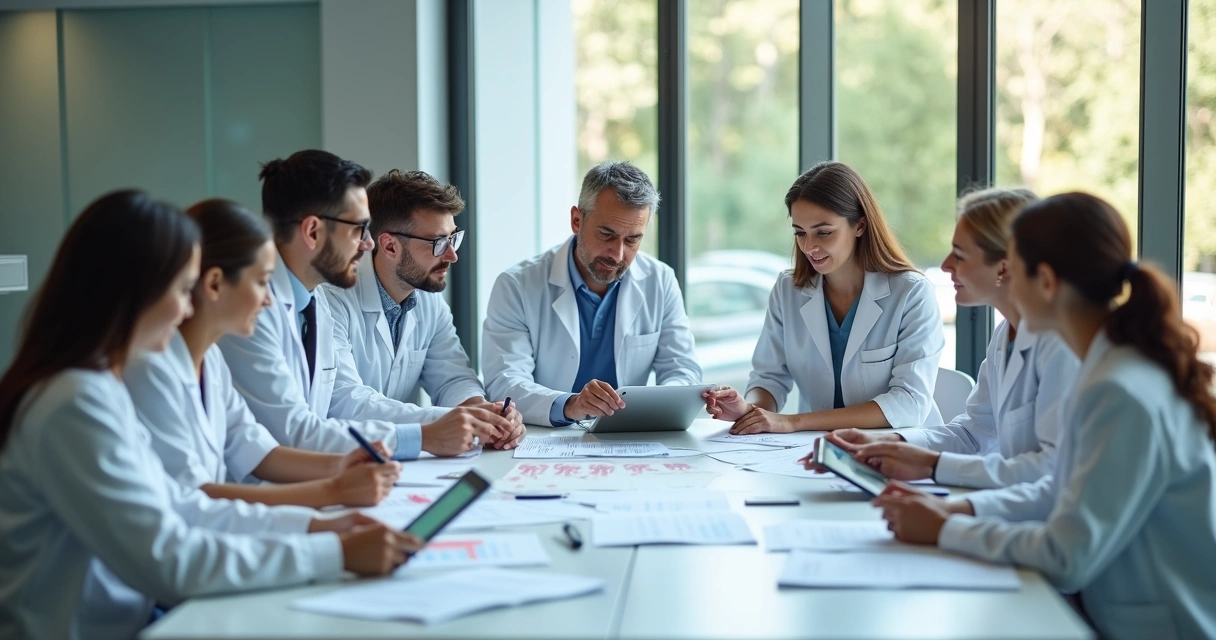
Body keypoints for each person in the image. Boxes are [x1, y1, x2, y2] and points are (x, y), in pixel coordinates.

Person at [0, 191, 419, 640]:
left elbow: (183, 507)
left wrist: (320, 527)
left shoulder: (98, 386)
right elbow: (169, 559)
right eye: (182, 290)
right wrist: (333, 552)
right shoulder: (75, 403)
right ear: (131, 291)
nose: (186, 308)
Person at [874, 193, 1216, 639]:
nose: (1007, 285)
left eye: (1013, 271)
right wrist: (958, 508)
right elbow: (1057, 491)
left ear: (1047, 282)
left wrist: (948, 529)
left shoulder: (1117, 389)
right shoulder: (1109, 365)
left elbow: (1067, 555)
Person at [217, 150, 512, 458]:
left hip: (316, 476)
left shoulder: (312, 300)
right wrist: (427, 434)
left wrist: (480, 415)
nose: (368, 243)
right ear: (313, 231)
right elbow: (303, 427)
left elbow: (337, 402)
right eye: (358, 228)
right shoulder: (256, 311)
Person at [124, 199, 401, 508]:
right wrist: (334, 491)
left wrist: (342, 465)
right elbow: (192, 497)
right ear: (214, 283)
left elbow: (255, 447)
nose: (269, 300)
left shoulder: (211, 361)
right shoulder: (149, 371)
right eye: (261, 282)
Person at [812, 188, 1078, 489]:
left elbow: (1052, 471)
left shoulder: (1061, 346)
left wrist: (933, 471)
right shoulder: (1006, 334)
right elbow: (973, 432)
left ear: (1004, 266)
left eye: (960, 255)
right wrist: (886, 442)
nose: (947, 264)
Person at [704, 161, 944, 433]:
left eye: (824, 232)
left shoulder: (911, 293)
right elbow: (770, 377)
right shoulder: (788, 290)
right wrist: (749, 410)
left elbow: (909, 402)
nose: (809, 246)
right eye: (800, 233)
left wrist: (794, 422)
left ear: (860, 226)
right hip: (815, 447)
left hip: (896, 448)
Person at [482, 160, 702, 426]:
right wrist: (570, 405)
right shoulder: (516, 286)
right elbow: (505, 383)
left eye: (632, 239)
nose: (618, 254)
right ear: (577, 220)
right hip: (545, 438)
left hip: (630, 438)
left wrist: (662, 402)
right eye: (606, 235)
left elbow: (683, 370)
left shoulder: (660, 280)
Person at [324, 169, 524, 448]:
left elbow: (452, 379)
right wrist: (455, 421)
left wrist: (485, 413)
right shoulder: (332, 300)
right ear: (390, 246)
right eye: (439, 243)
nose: (452, 255)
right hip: (344, 457)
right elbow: (347, 401)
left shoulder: (428, 299)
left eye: (453, 238)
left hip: (400, 457)